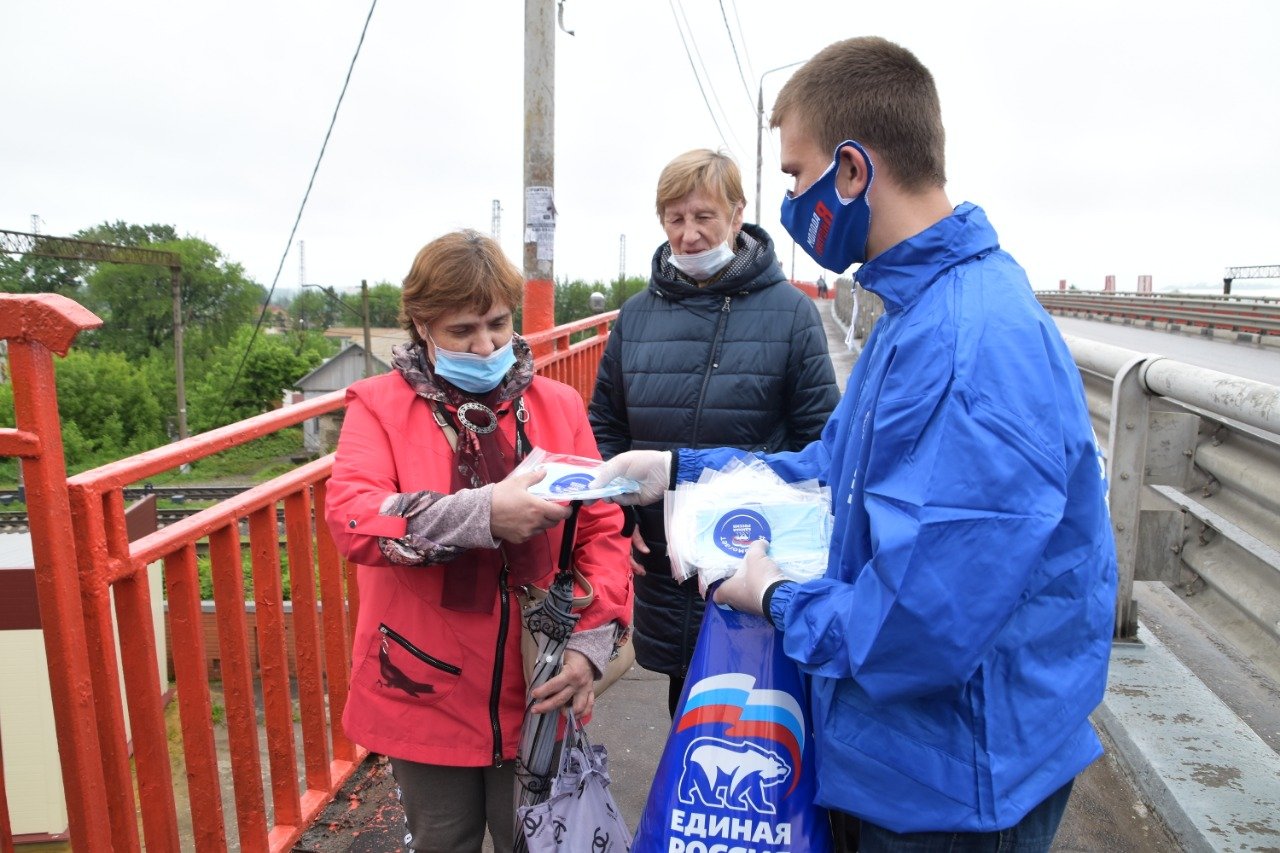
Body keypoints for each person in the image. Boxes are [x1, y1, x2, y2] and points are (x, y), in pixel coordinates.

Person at [591, 37, 1117, 852]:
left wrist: (773, 595)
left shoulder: (960, 346)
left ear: (851, 171)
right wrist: (678, 472)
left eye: (797, 176)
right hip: (929, 757)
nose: (795, 201)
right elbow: (832, 469)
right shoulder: (923, 309)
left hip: (953, 780)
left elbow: (920, 627)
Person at [324, 230, 633, 852]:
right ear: (421, 324)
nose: (486, 345)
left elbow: (601, 529)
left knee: (538, 840)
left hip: (541, 675)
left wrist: (592, 645)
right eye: (462, 330)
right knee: (444, 841)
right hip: (421, 677)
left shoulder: (559, 405)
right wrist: (486, 513)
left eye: (497, 323)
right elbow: (354, 517)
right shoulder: (379, 407)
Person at [588, 148, 840, 717]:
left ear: (736, 213)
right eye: (675, 220)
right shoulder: (636, 316)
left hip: (758, 554)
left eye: (703, 216)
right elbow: (604, 421)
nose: (690, 234)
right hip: (665, 558)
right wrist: (617, 512)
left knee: (769, 708)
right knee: (690, 707)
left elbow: (821, 439)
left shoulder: (791, 314)